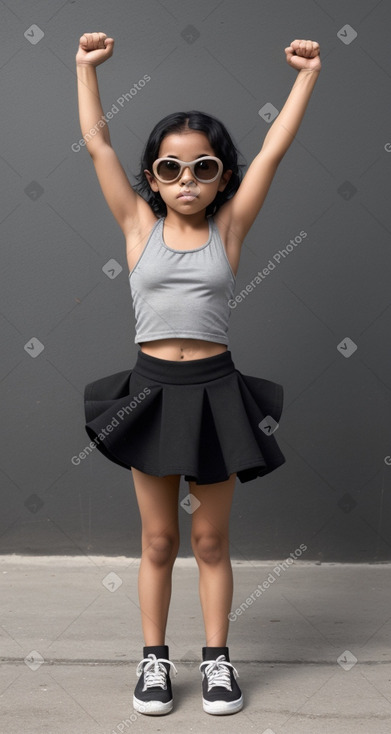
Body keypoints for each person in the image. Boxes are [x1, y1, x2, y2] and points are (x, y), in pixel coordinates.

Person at [76, 32, 321, 716]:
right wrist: (84, 69)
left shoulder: (230, 229)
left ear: (222, 177)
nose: (187, 181)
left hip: (215, 393)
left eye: (203, 167)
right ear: (151, 177)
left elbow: (275, 148)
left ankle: (217, 662)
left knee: (210, 540)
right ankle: (154, 661)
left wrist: (306, 75)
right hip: (150, 393)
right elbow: (97, 145)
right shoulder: (135, 226)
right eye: (171, 169)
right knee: (157, 540)